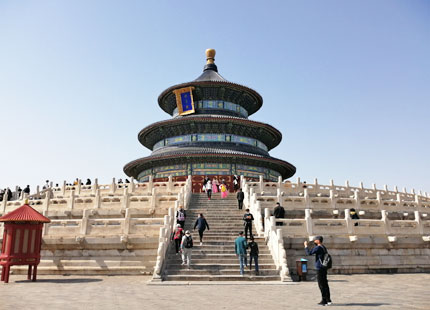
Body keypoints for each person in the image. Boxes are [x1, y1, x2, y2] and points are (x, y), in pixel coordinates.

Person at [304, 236, 332, 306]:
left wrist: (306, 246)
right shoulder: (323, 247)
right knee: (325, 284)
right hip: (324, 267)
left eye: (315, 240)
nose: (314, 241)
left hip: (320, 268)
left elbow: (309, 253)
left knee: (321, 284)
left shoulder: (318, 247)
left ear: (318, 241)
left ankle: (324, 300)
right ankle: (328, 299)